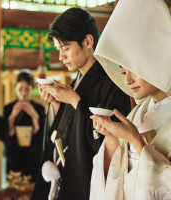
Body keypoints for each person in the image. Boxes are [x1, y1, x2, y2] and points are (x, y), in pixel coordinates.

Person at [32, 7, 130, 200]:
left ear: (88, 41)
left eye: (66, 48)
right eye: (59, 49)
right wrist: (57, 105)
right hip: (61, 176)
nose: (61, 57)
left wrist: (75, 101)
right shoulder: (77, 79)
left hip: (84, 184)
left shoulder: (112, 81)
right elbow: (64, 132)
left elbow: (106, 141)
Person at [89, 0, 171, 199]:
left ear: (156, 61)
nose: (127, 80)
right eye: (123, 71)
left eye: (133, 70)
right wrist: (111, 137)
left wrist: (135, 140)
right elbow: (116, 173)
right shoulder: (136, 113)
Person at [3, 69, 45, 181]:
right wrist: (12, 116)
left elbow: (43, 135)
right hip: (14, 157)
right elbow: (4, 135)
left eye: (27, 89)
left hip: (33, 157)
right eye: (20, 89)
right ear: (15, 87)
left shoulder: (39, 109)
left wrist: (35, 117)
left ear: (32, 88)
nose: (23, 93)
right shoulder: (8, 108)